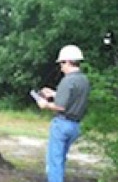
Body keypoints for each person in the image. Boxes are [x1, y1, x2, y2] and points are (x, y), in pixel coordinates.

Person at [36, 45, 90, 182]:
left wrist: (45, 104)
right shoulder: (83, 80)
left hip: (62, 124)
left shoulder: (68, 80)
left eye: (61, 63)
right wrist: (54, 93)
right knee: (61, 159)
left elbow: (60, 106)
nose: (60, 67)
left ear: (67, 61)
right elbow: (73, 97)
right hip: (76, 126)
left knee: (54, 162)